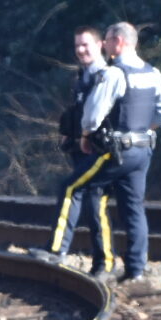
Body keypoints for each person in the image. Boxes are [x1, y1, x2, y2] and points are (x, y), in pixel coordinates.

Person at [74, 21, 161, 284]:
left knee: (90, 191)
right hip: (143, 150)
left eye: (107, 40)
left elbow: (94, 113)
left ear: (119, 42)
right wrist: (144, 129)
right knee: (134, 207)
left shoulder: (115, 73)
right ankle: (136, 268)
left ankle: (103, 263)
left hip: (117, 149)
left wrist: (86, 136)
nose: (105, 45)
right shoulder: (153, 73)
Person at [29, 27, 115, 277]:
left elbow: (100, 113)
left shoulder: (105, 75)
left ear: (99, 45)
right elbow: (77, 111)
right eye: (77, 45)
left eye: (85, 45)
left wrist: (88, 137)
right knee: (91, 203)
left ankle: (60, 251)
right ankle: (102, 264)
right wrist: (69, 134)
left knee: (77, 192)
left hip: (100, 149)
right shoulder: (83, 75)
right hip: (82, 148)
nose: (80, 50)